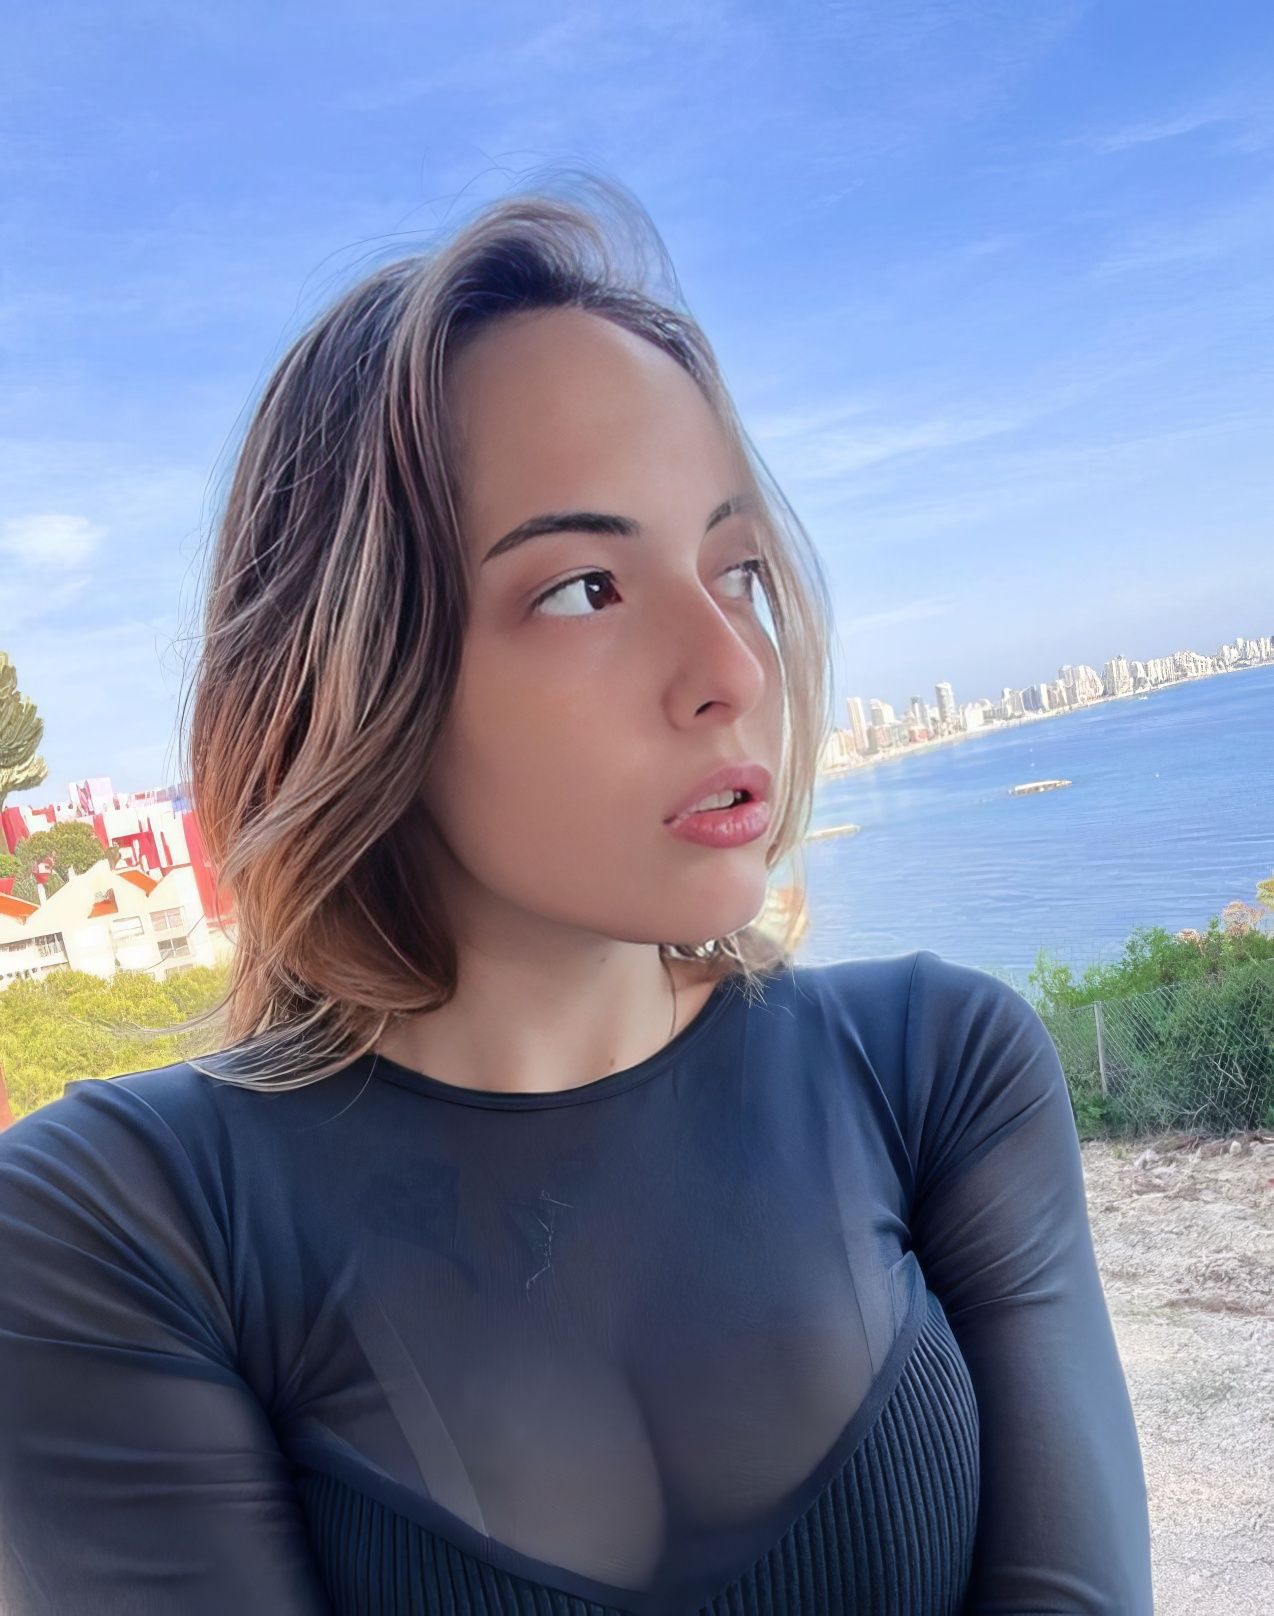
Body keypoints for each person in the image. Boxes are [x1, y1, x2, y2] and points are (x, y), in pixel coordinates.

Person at [0, 173, 1153, 1615]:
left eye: (737, 567)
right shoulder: (125, 1226)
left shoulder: (938, 1075)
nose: (732, 666)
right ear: (357, 675)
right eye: (584, 589)